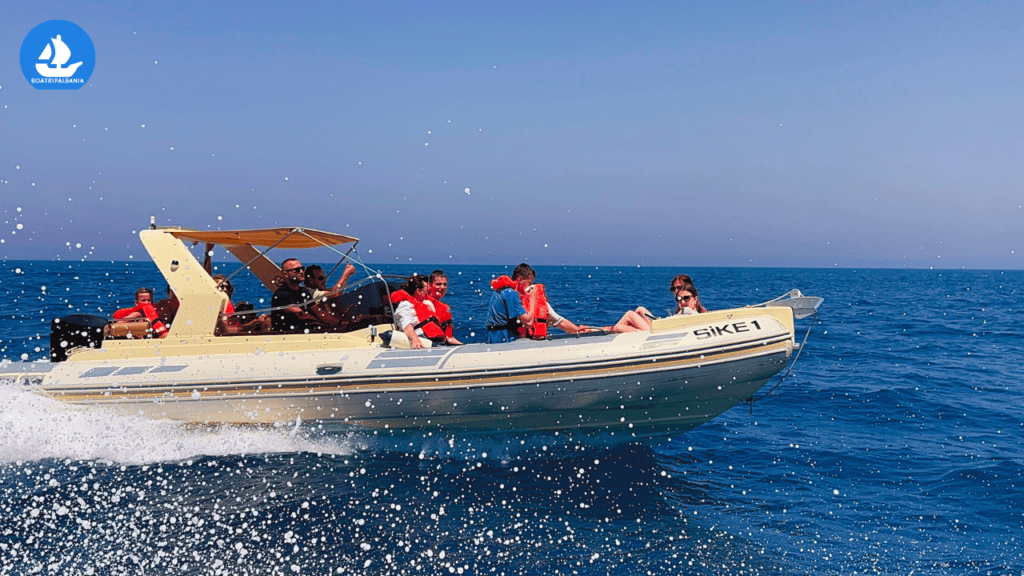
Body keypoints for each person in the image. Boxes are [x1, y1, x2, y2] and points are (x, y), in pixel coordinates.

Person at [390, 275, 457, 348]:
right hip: (422, 338)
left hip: (437, 340)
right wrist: (415, 339)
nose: (428, 292)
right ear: (418, 291)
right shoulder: (405, 305)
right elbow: (406, 323)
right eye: (426, 290)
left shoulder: (427, 304)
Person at [270, 258, 324, 333]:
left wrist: (338, 323)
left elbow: (318, 313)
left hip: (303, 334)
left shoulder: (304, 291)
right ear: (285, 274)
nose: (302, 272)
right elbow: (302, 316)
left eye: (302, 268)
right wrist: (323, 326)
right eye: (297, 270)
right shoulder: (281, 294)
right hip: (287, 338)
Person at [426, 270, 462, 345]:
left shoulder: (443, 307)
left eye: (445, 284)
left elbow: (449, 337)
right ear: (429, 285)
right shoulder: (424, 303)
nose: (442, 287)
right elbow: (450, 339)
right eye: (438, 284)